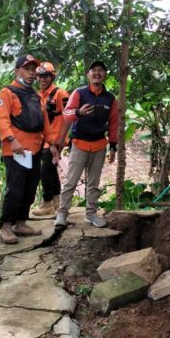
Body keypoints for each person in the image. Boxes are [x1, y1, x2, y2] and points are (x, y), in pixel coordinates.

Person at [0, 54, 58, 244]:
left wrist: (52, 144)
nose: (32, 74)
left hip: (35, 148)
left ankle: (21, 222)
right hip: (16, 150)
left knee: (30, 188)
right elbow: (3, 119)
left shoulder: (35, 95)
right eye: (27, 69)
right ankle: (6, 225)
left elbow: (44, 122)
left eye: (34, 70)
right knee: (15, 188)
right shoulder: (6, 93)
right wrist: (12, 140)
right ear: (17, 71)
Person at [54, 61, 118, 228]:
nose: (97, 73)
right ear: (87, 75)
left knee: (93, 183)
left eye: (101, 70)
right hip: (79, 144)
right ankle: (62, 213)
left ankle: (91, 214)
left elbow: (113, 123)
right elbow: (66, 114)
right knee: (71, 181)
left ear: (105, 75)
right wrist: (78, 112)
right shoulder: (79, 93)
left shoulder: (110, 98)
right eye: (93, 70)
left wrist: (113, 146)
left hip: (99, 146)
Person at [32, 62, 69, 217]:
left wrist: (62, 140)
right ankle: (56, 201)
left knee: (45, 170)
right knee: (51, 170)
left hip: (56, 139)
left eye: (46, 76)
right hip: (44, 139)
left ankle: (47, 202)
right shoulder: (38, 95)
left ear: (52, 76)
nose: (42, 79)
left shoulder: (60, 94)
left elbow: (69, 117)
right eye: (40, 76)